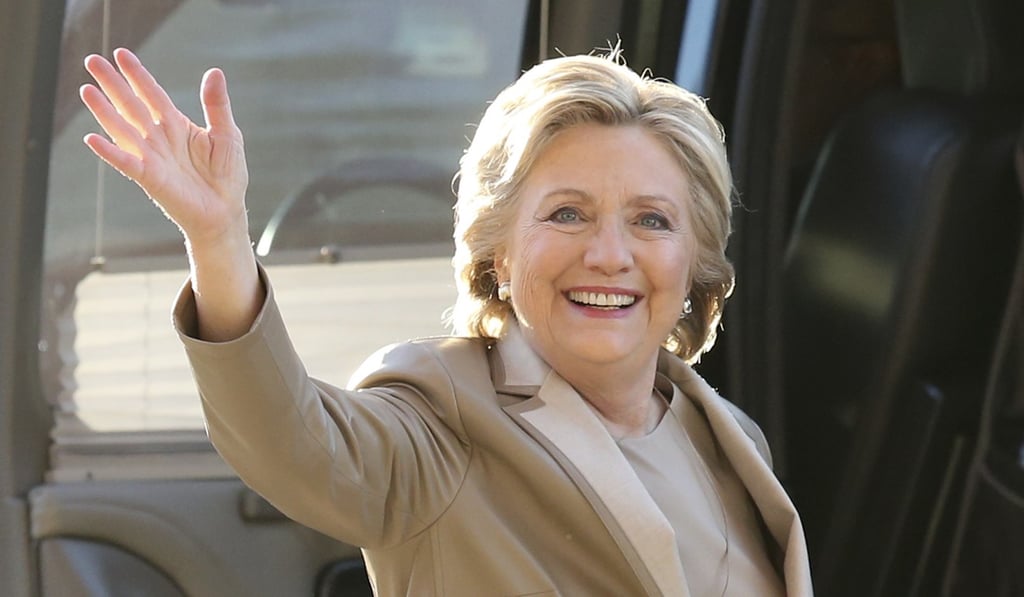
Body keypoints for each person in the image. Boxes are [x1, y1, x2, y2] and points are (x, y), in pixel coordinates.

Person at [81, 46, 813, 596]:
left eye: (651, 220)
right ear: (498, 252)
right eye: (568, 213)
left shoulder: (727, 437)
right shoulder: (444, 419)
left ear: (695, 262)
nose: (609, 254)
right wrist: (218, 240)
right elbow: (291, 440)